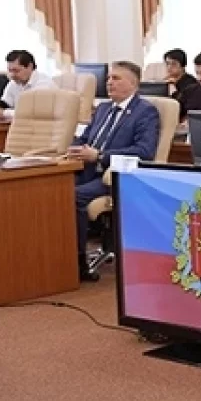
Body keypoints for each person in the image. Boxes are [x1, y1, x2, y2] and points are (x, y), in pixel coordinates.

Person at [70, 62, 160, 280]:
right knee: (50, 188)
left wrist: (100, 155)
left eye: (116, 78)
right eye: (109, 78)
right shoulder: (103, 108)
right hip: (88, 170)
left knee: (74, 196)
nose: (109, 82)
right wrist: (75, 148)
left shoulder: (145, 112)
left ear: (133, 83)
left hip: (118, 176)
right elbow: (84, 138)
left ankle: (78, 262)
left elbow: (144, 152)